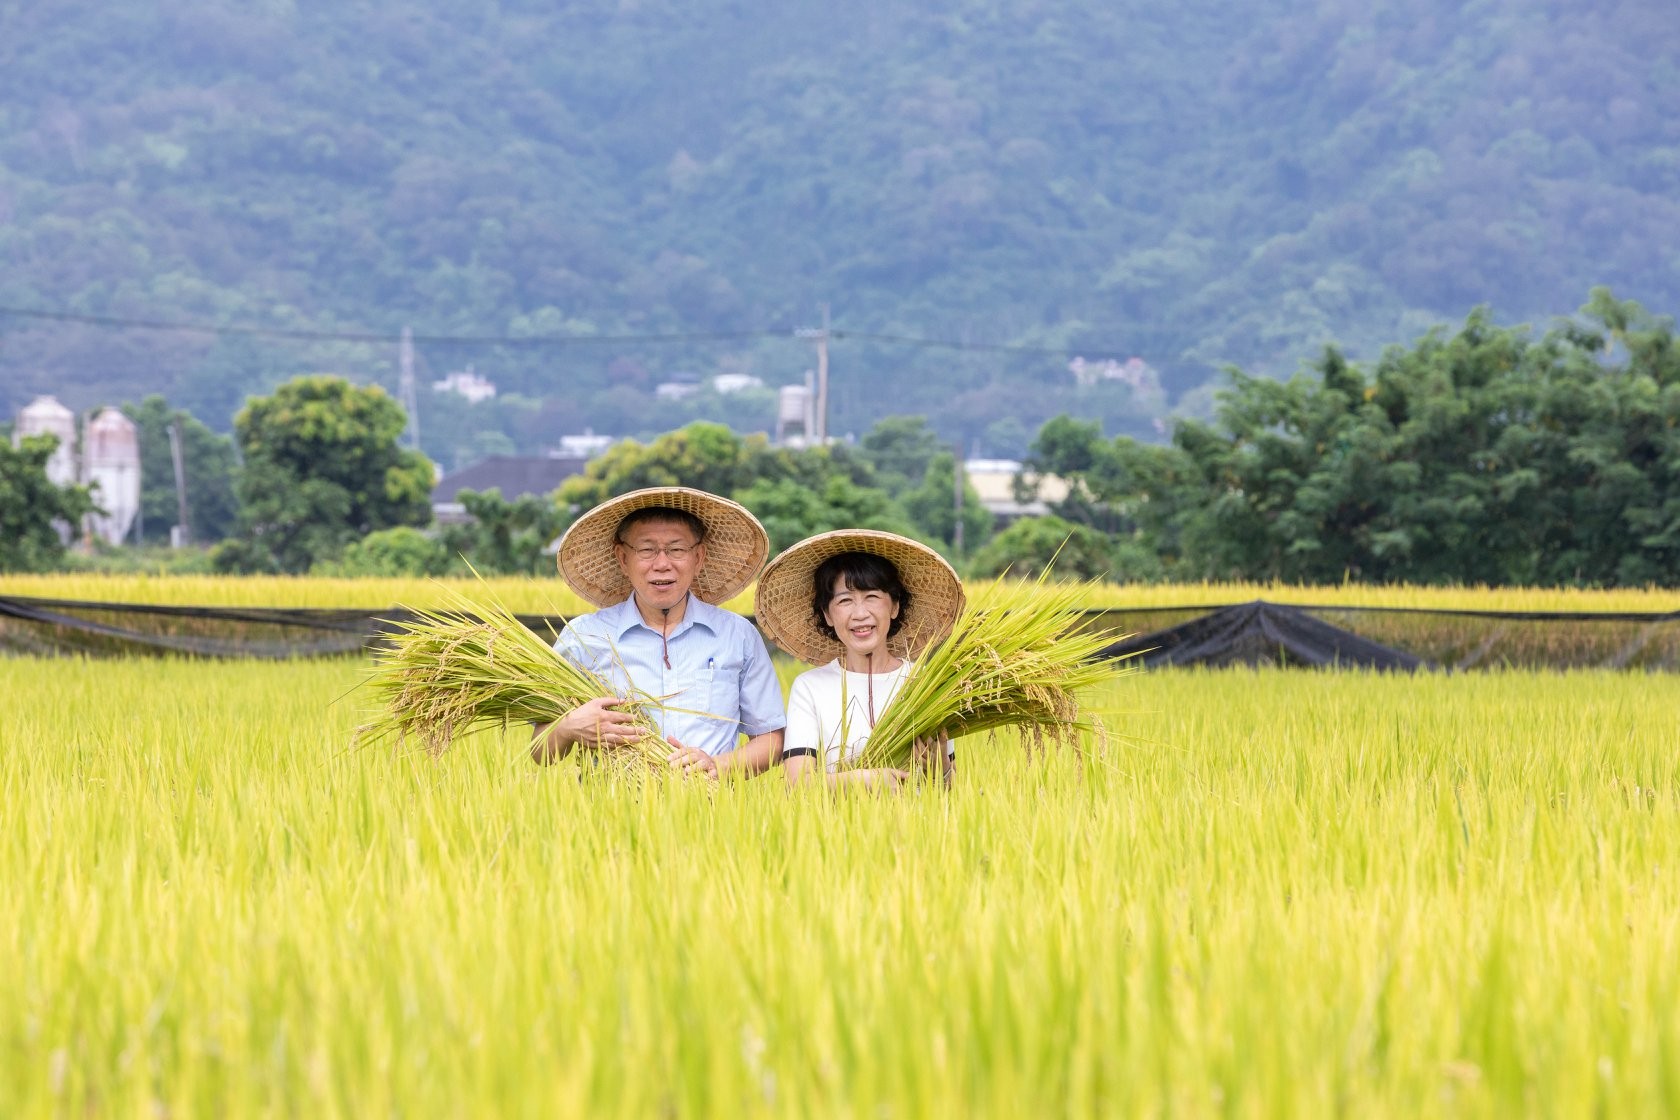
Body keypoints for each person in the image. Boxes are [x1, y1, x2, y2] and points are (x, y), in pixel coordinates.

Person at [533, 487, 786, 778]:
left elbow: (772, 740)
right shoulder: (584, 638)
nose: (662, 564)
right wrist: (569, 727)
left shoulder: (738, 636)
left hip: (711, 814)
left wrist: (718, 766)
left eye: (677, 549)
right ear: (623, 558)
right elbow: (540, 752)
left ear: (698, 557)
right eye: (647, 550)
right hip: (608, 813)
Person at [754, 530, 964, 789]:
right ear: (828, 615)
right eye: (845, 601)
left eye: (872, 597)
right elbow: (796, 784)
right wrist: (865, 780)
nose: (860, 613)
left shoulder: (925, 684)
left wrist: (940, 770)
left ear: (895, 606)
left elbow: (952, 791)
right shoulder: (810, 688)